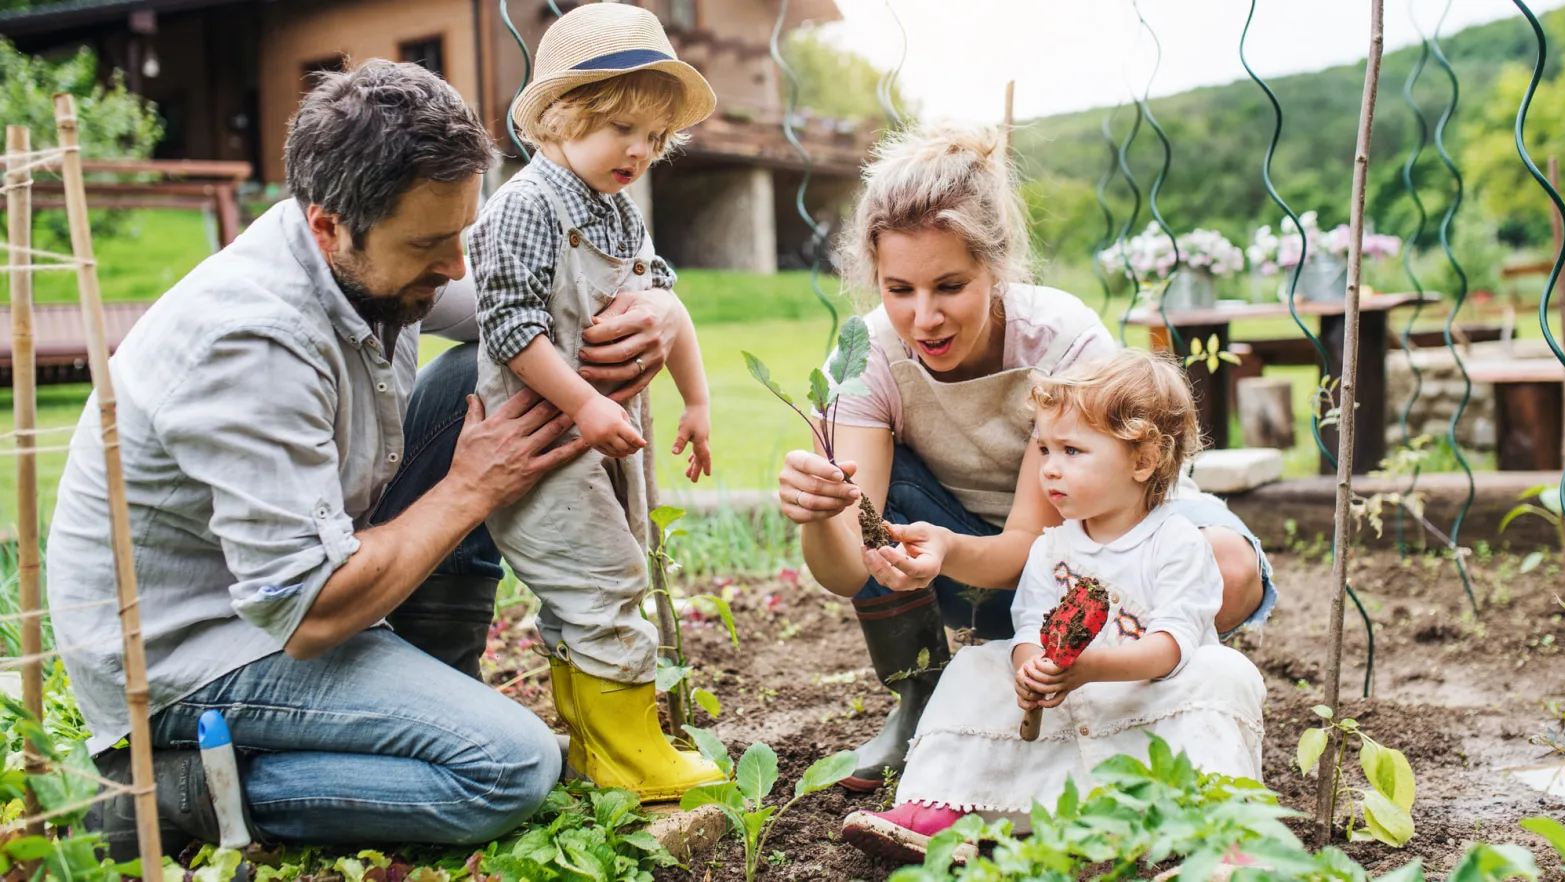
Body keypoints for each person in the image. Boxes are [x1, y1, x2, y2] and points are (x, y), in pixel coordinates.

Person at [50, 61, 690, 858]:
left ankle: (437, 675)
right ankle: (176, 794)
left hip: (300, 589)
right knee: (510, 767)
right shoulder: (249, 345)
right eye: (430, 243)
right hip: (199, 651)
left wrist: (661, 306)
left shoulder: (380, 254)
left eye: (462, 232)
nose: (458, 264)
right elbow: (306, 613)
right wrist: (470, 486)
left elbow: (518, 310)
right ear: (327, 226)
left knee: (487, 372)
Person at [774, 121, 1279, 790]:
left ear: (996, 267)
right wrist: (818, 514)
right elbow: (848, 571)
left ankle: (1141, 697)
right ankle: (922, 700)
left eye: (949, 286)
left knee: (1229, 568)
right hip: (963, 556)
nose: (924, 318)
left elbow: (1035, 541)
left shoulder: (1060, 339)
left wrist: (952, 554)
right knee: (874, 499)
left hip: (1092, 539)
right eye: (899, 290)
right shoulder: (863, 358)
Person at [841, 349, 1267, 863]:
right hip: (1068, 703)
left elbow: (1172, 647)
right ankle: (940, 809)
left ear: (1143, 460)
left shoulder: (1176, 543)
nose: (1050, 470)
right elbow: (1028, 630)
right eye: (1044, 450)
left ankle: (1223, 835)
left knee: (1224, 672)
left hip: (1147, 704)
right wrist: (1031, 670)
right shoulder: (1051, 547)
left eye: (1072, 451)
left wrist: (1090, 668)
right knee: (977, 666)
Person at [467, 2, 722, 801]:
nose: (639, 151)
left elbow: (661, 302)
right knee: (602, 582)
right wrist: (582, 404)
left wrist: (696, 401)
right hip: (544, 441)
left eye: (653, 136)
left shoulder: (614, 210)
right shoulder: (526, 206)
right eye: (619, 128)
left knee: (596, 589)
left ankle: (595, 753)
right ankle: (634, 757)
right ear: (558, 118)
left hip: (603, 437)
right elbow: (509, 327)